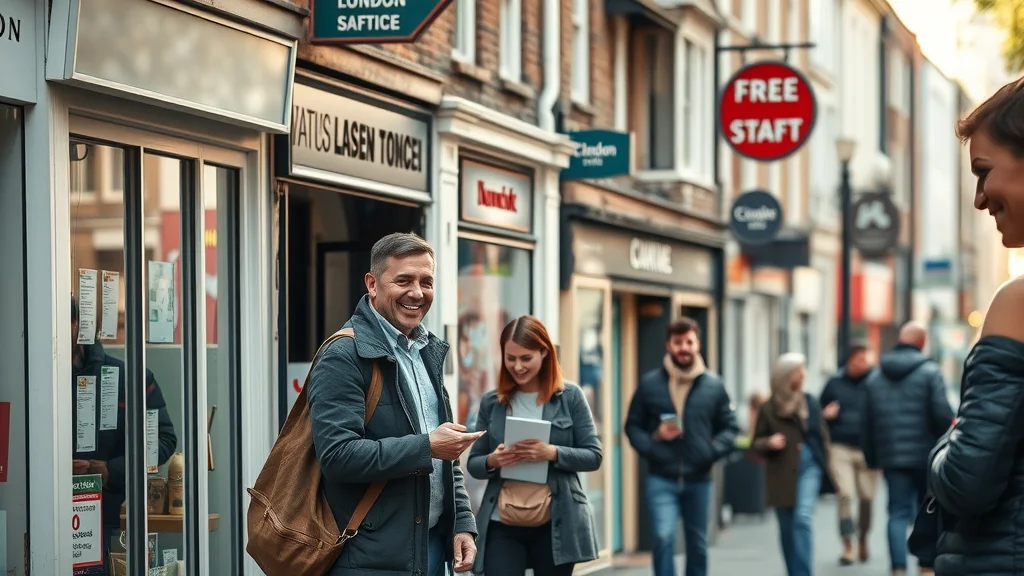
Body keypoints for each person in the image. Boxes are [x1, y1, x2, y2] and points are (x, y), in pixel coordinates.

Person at [306, 232, 482, 576]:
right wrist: (427, 446)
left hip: (431, 548)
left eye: (426, 282)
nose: (417, 292)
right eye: (403, 280)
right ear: (372, 284)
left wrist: (462, 522)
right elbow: (338, 457)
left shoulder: (426, 351)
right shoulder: (343, 355)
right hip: (369, 558)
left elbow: (446, 457)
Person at [926, 77, 1024, 576]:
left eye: (984, 173)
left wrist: (945, 444)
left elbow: (968, 480)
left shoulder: (1018, 303)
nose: (979, 199)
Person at [466, 315, 601, 575]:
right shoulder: (491, 403)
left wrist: (551, 453)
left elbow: (593, 455)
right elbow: (474, 463)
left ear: (544, 353)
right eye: (511, 358)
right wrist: (493, 460)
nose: (517, 366)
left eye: (526, 358)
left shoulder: (570, 397)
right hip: (502, 519)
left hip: (556, 521)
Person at [71, 296, 178, 574]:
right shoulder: (34, 380)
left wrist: (112, 471)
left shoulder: (129, 378)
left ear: (78, 326)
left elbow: (163, 440)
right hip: (43, 512)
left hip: (106, 517)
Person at [624, 317, 739, 576]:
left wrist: (711, 451)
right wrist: (653, 442)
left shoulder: (714, 385)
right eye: (678, 342)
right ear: (668, 345)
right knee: (663, 537)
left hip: (699, 479)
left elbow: (731, 428)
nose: (684, 348)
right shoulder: (650, 384)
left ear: (698, 345)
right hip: (661, 478)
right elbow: (632, 426)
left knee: (697, 544)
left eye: (689, 342)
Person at [861, 321, 954, 576]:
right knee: (928, 510)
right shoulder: (930, 372)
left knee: (897, 512)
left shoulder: (875, 377)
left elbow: (866, 423)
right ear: (922, 342)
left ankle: (898, 569)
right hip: (926, 455)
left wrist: (872, 459)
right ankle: (925, 566)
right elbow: (942, 414)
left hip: (891, 457)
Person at [751, 353, 832, 576]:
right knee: (787, 528)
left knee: (802, 518)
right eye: (798, 371)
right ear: (785, 376)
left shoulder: (810, 402)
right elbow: (755, 444)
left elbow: (822, 437)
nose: (803, 375)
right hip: (781, 472)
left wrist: (827, 464)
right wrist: (769, 442)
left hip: (809, 469)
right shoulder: (769, 408)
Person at [819, 340, 877, 564]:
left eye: (867, 359)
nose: (865, 363)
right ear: (851, 360)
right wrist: (826, 414)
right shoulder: (834, 383)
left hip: (868, 448)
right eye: (861, 359)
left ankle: (863, 537)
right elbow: (819, 412)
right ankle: (847, 544)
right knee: (845, 494)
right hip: (840, 447)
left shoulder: (875, 382)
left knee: (867, 497)